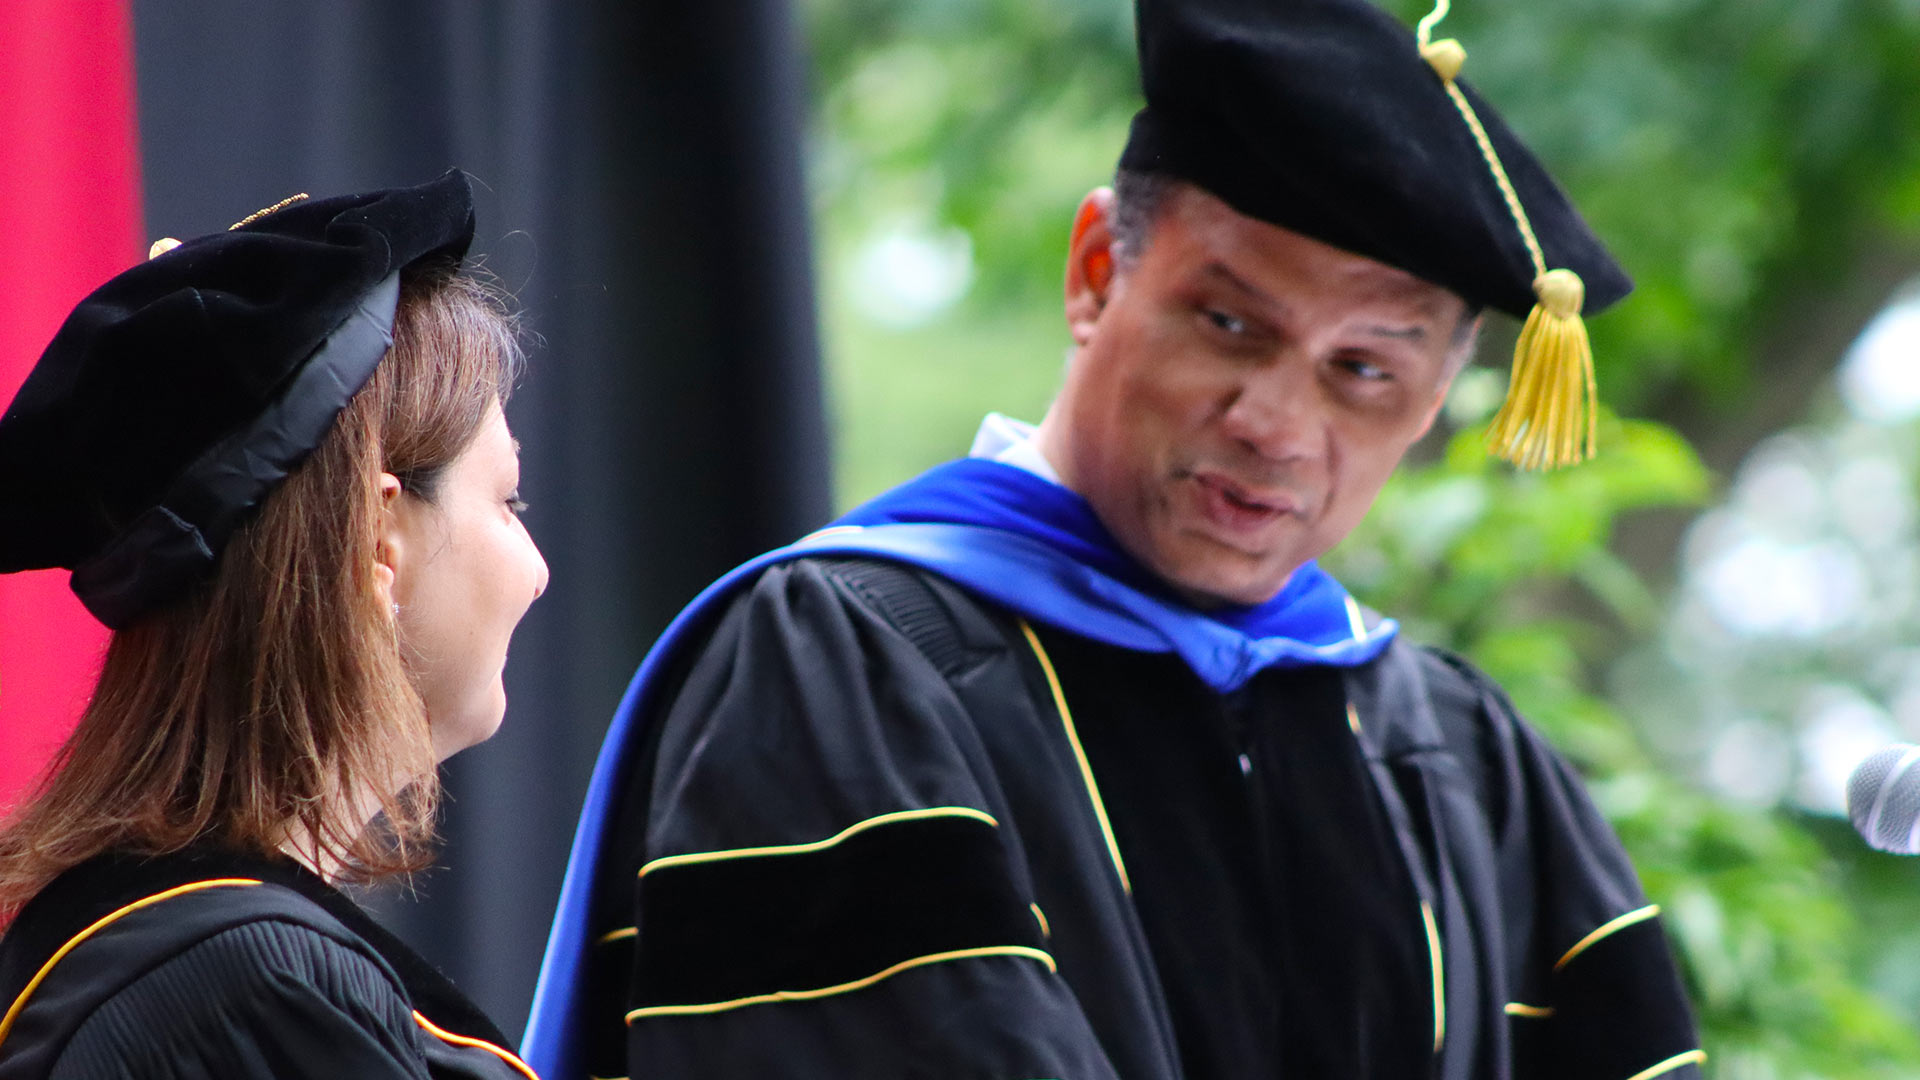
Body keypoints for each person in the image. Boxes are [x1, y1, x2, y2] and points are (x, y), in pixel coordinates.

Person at [525, 0, 1705, 1077]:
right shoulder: (850, 661)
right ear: (1097, 273)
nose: (1278, 427)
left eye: (1363, 371)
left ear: (1434, 400)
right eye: (1230, 321)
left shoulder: (1457, 755)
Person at [0, 172, 550, 1079]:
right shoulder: (256, 994)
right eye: (509, 499)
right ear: (379, 538)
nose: (536, 575)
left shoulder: (140, 952)